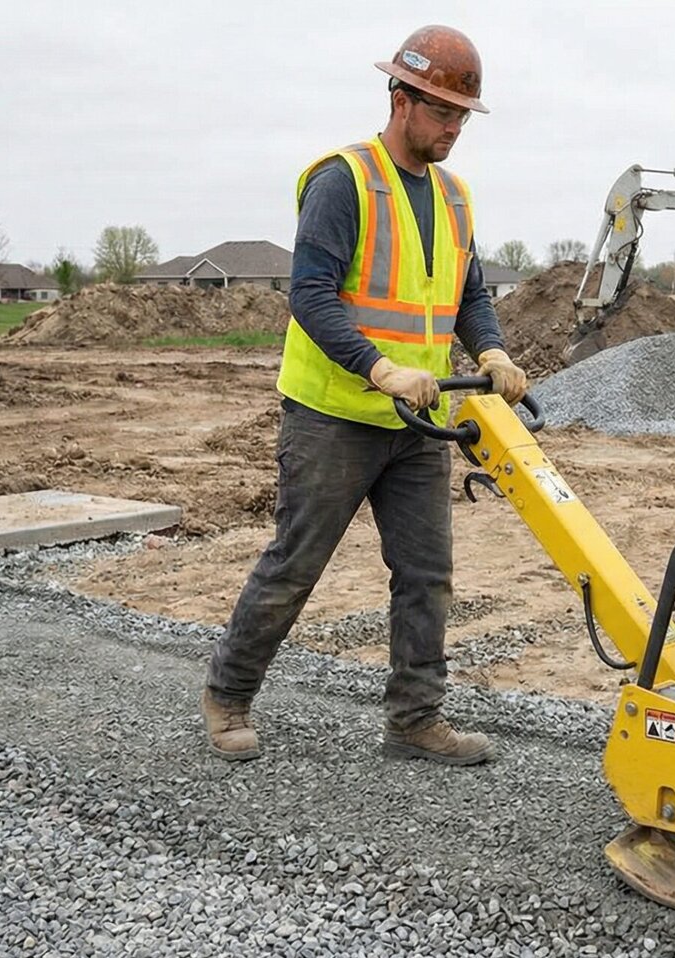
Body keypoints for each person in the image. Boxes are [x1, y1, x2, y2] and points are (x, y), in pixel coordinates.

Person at [200, 25, 529, 767]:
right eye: (442, 112)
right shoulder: (342, 181)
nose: (452, 129)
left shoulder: (453, 196)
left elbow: (468, 296)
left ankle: (414, 720)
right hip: (333, 417)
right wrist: (378, 369)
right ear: (399, 98)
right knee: (295, 564)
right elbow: (310, 297)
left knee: (426, 573)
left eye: (461, 117)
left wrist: (494, 349)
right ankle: (228, 694)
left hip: (418, 422)